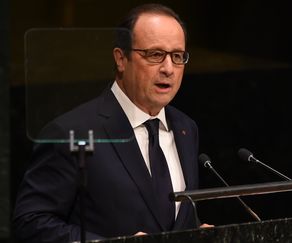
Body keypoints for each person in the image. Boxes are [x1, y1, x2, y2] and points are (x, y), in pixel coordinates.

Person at [13, 3, 205, 242]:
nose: (169, 69)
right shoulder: (72, 131)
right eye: (155, 55)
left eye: (177, 56)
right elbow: (30, 223)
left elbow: (167, 220)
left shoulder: (186, 128)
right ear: (121, 58)